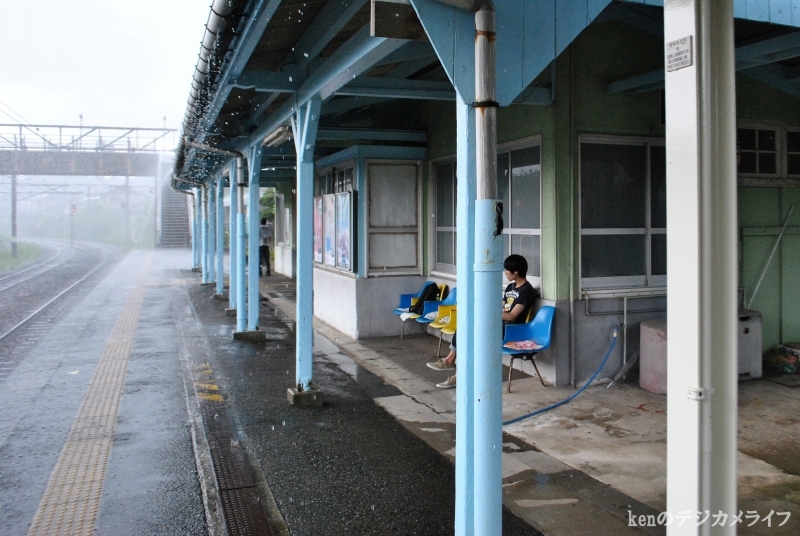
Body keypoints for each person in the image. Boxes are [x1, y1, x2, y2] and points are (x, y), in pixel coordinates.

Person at [427, 254, 540, 389]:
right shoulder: (511, 287)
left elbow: (512, 316)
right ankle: (451, 362)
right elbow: (502, 305)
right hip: (498, 323)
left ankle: (456, 372)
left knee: (471, 339)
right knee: (466, 326)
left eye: (507, 270)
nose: (505, 273)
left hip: (511, 329)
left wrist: (489, 314)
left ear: (516, 272)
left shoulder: (527, 291)